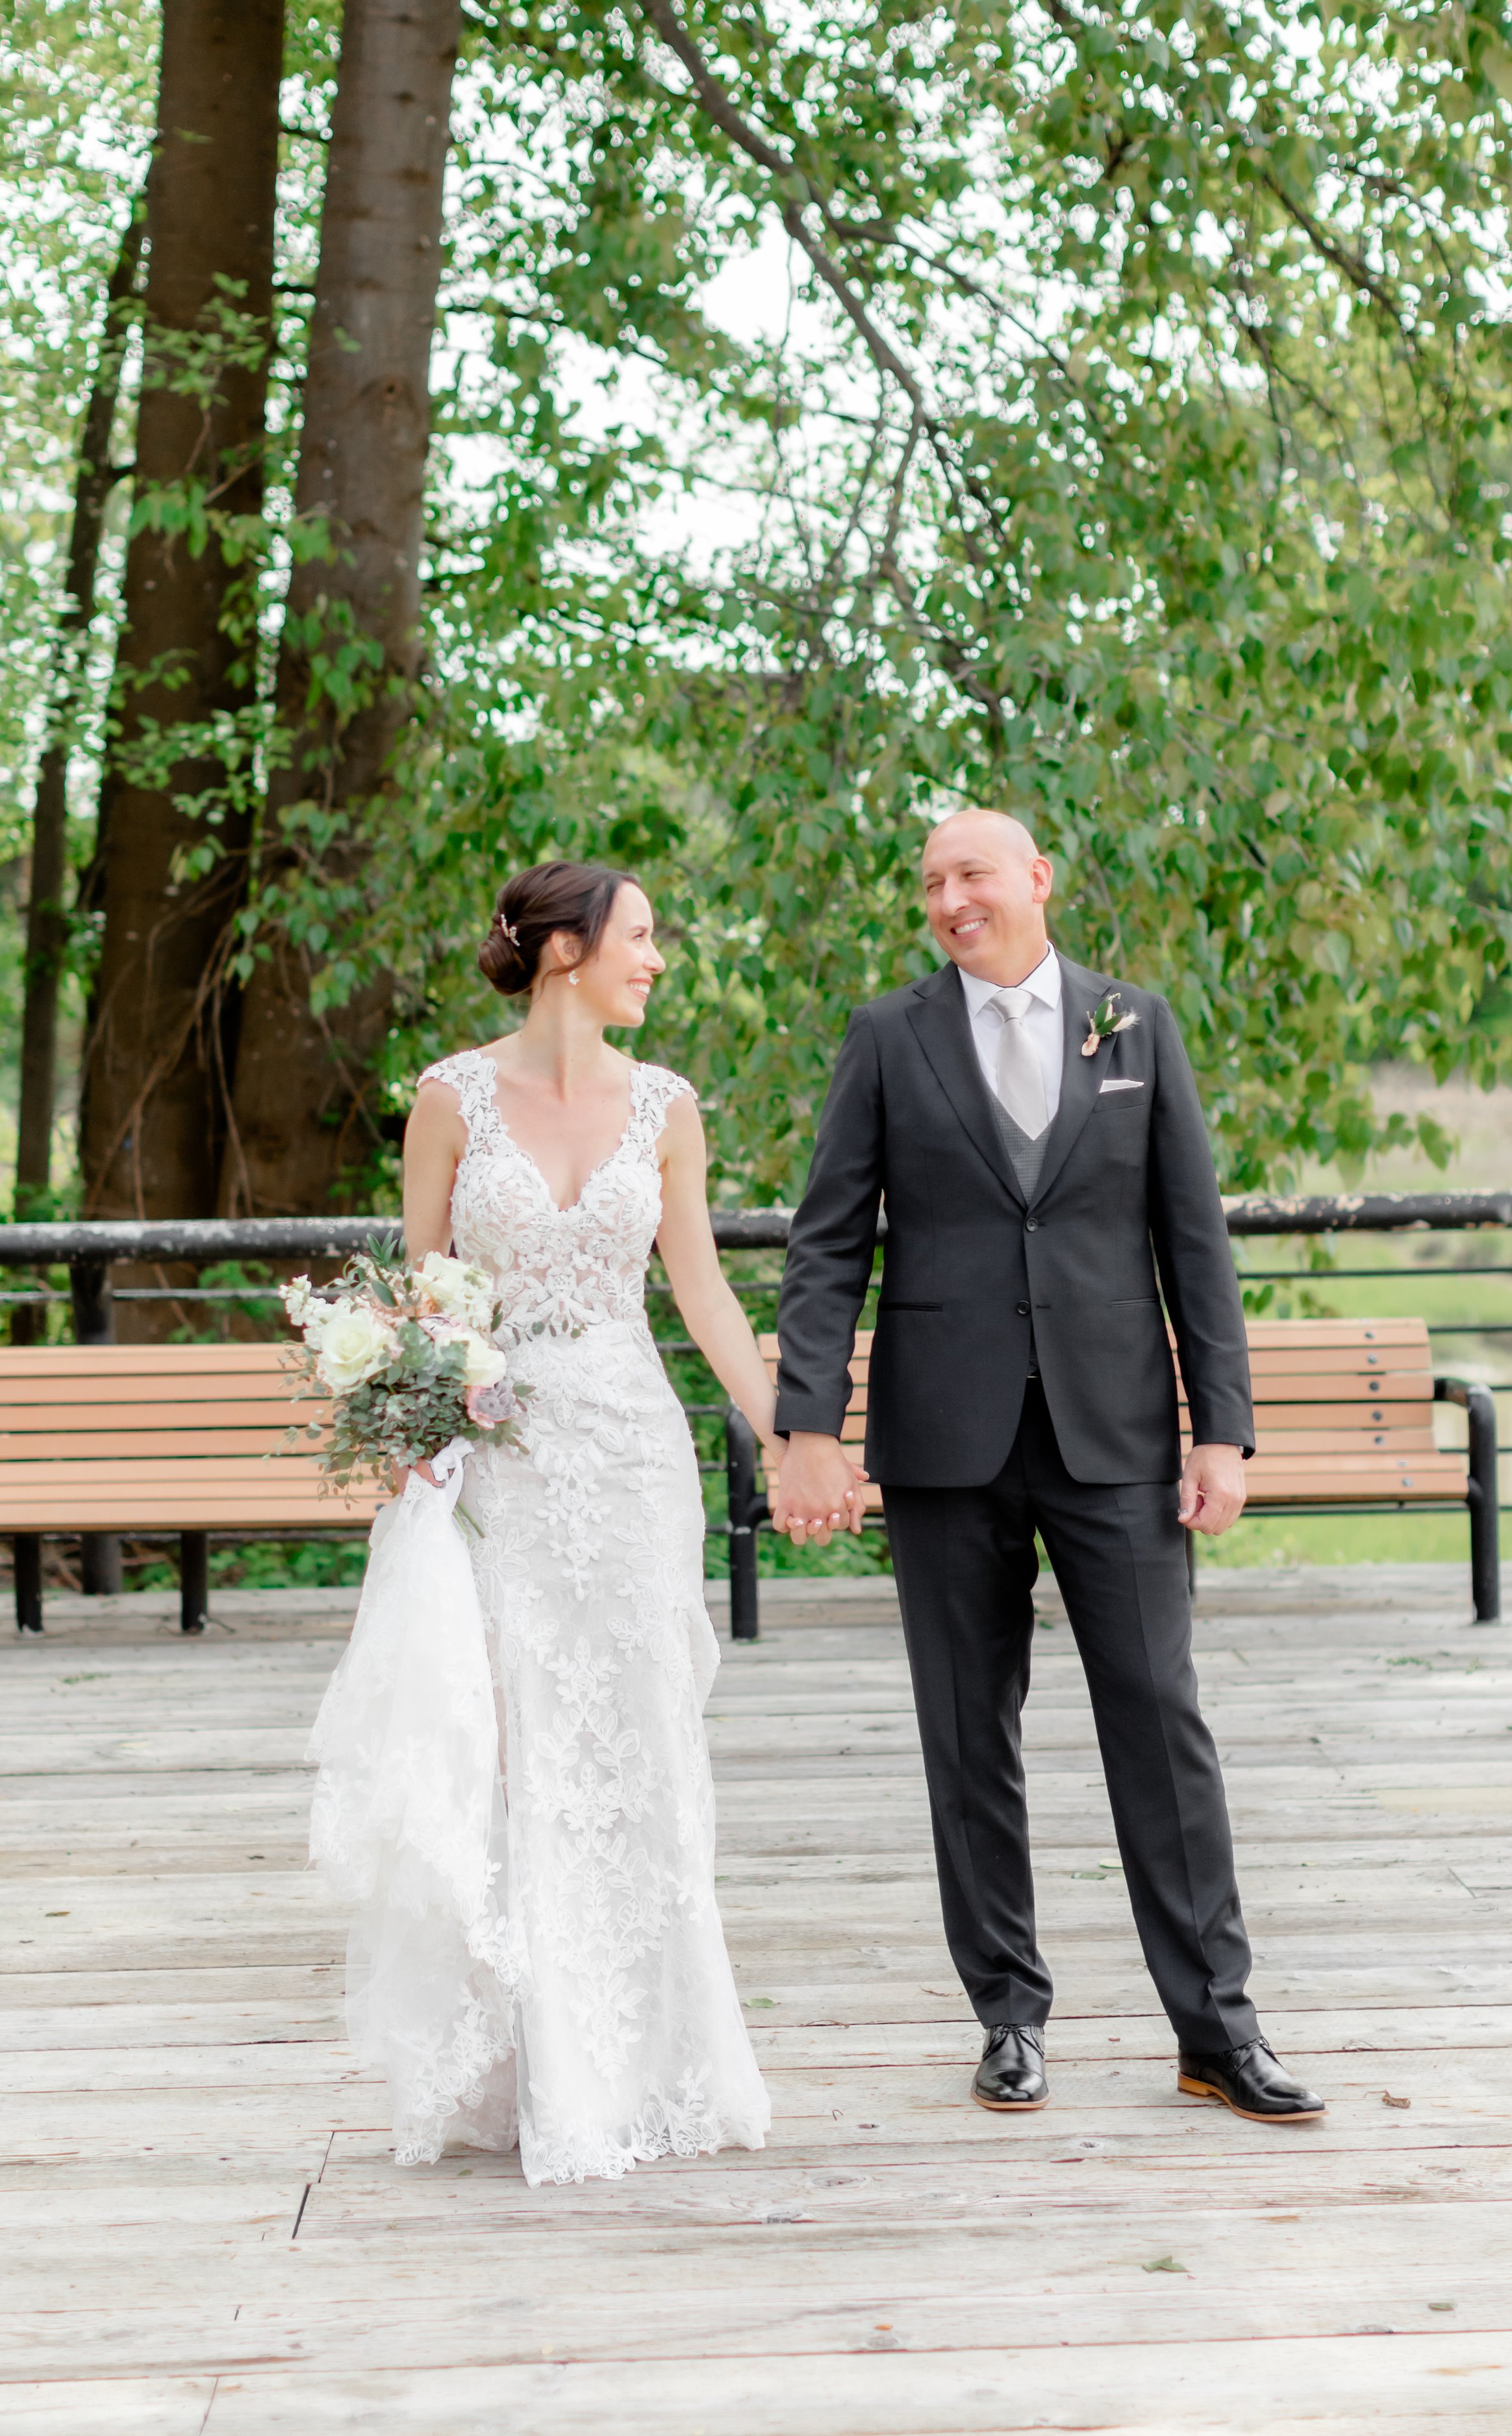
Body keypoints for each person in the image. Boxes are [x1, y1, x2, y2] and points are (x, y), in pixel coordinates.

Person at [770, 811, 1325, 2124]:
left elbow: (1193, 1241)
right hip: (942, 1440)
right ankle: (1007, 2016)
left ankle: (1214, 2031)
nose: (949, 899)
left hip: (1116, 1435)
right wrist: (808, 1422)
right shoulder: (886, 1037)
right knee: (969, 1737)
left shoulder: (1135, 1027)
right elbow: (826, 1242)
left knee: (1161, 1723)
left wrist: (1220, 1429)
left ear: (1035, 880)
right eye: (928, 884)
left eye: (970, 874)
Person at [396, 858, 795, 2184]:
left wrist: (790, 1438)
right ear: (563, 949)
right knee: (521, 1749)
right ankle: (537, 2071)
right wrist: (426, 1429)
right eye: (639, 936)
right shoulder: (448, 1099)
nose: (657, 959)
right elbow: (428, 1299)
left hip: (630, 1459)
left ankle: (659, 2064)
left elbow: (703, 1296)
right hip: (505, 1469)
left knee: (641, 1737)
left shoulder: (667, 1108)